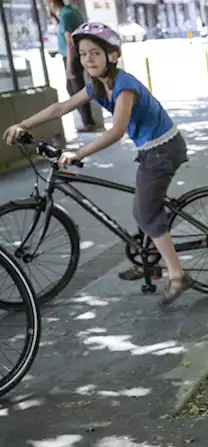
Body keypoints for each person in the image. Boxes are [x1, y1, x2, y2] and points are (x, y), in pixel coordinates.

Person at [4, 23, 193, 302]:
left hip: (163, 149)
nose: (88, 59)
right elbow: (61, 107)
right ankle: (149, 262)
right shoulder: (96, 85)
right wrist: (23, 123)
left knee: (145, 212)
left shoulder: (125, 87)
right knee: (144, 203)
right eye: (83, 54)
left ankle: (178, 274)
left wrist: (78, 153)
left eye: (95, 53)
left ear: (112, 56)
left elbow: (116, 130)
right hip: (151, 149)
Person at [48, 0, 96, 132]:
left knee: (75, 89)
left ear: (52, 3)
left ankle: (88, 122)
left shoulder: (65, 15)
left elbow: (69, 42)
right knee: (74, 88)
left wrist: (69, 66)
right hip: (78, 54)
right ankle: (88, 120)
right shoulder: (73, 10)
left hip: (72, 57)